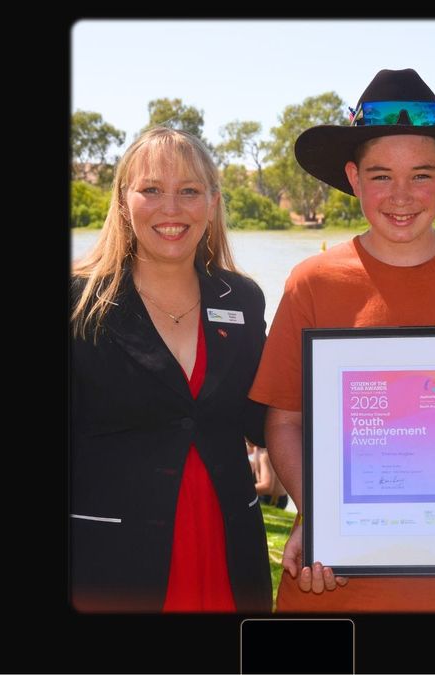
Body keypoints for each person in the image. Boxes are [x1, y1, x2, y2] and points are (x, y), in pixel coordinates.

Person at [248, 69, 435, 612]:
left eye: (421, 175)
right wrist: (321, 518)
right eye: (381, 176)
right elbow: (284, 419)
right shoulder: (311, 281)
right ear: (354, 179)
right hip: (329, 581)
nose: (401, 196)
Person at [70, 126, 272, 612]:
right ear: (123, 200)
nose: (172, 209)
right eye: (152, 190)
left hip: (228, 551)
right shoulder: (77, 303)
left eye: (189, 191)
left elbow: (265, 418)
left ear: (213, 201)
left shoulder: (243, 299)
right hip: (112, 562)